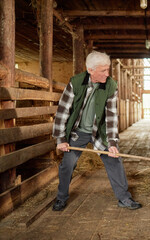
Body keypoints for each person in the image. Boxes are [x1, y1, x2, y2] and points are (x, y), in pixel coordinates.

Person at [52, 51, 141, 211]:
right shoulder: (75, 83)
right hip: (77, 132)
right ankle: (61, 198)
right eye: (103, 71)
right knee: (67, 164)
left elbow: (112, 116)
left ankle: (124, 198)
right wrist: (61, 139)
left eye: (108, 70)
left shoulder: (111, 86)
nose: (107, 74)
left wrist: (113, 142)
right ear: (91, 70)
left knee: (114, 159)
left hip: (99, 132)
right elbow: (62, 111)